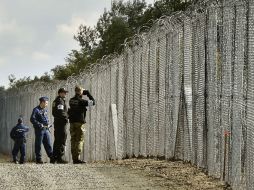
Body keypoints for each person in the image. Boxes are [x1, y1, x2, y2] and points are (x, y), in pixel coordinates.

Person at [68, 86, 95, 164]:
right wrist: (88, 94)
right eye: (82, 91)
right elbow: (93, 102)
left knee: (73, 140)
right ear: (80, 92)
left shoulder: (71, 100)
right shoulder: (82, 101)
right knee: (79, 140)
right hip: (79, 123)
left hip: (72, 123)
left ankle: (74, 158)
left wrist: (81, 93)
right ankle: (77, 158)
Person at [30, 96, 54, 164]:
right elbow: (32, 119)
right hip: (39, 130)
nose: (47, 104)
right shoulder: (36, 110)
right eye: (46, 103)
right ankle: (38, 159)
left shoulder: (44, 110)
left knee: (48, 143)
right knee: (38, 144)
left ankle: (51, 157)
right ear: (42, 102)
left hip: (46, 129)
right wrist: (39, 124)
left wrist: (48, 124)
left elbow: (45, 118)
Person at [52, 88, 69, 164]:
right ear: (60, 93)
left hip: (58, 122)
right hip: (61, 122)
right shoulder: (60, 101)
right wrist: (66, 118)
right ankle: (59, 158)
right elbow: (60, 112)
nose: (65, 94)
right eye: (64, 93)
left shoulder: (57, 100)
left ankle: (54, 158)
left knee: (57, 139)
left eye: (65, 93)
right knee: (62, 139)